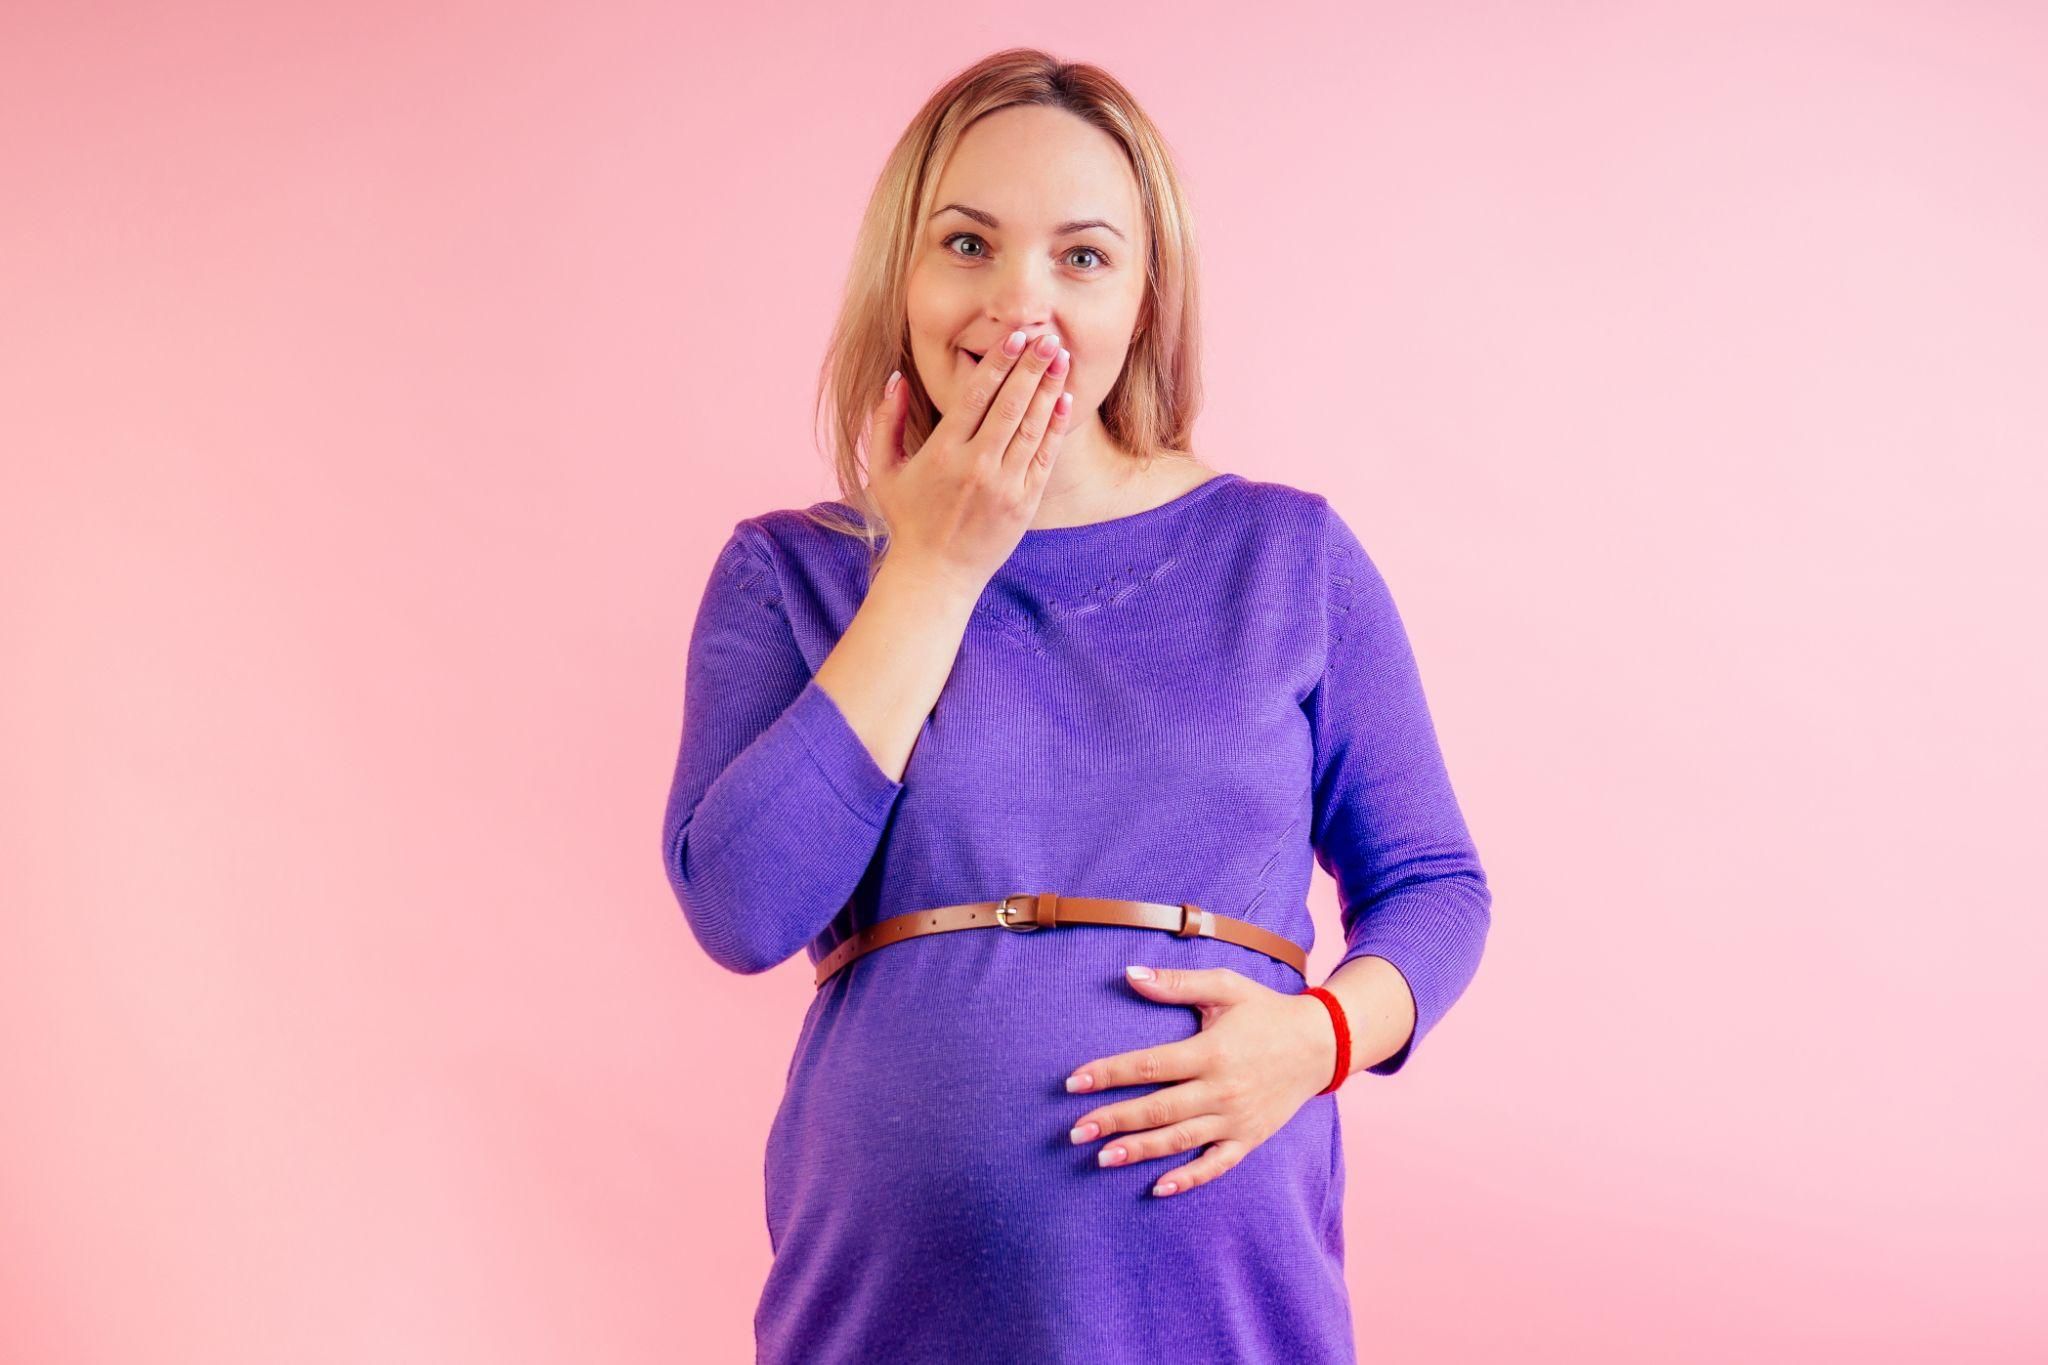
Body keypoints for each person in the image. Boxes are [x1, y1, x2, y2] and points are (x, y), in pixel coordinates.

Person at [660, 47, 1491, 1365]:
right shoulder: (794, 573)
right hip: (885, 1307)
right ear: (903, 274)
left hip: (1224, 1302)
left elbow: (1437, 884)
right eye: (969, 243)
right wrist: (930, 567)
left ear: (1148, 294)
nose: (1020, 302)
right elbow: (745, 905)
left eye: (1083, 257)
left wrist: (1319, 1038)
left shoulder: (1289, 559)